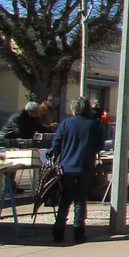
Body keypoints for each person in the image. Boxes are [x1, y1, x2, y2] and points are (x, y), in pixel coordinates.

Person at [48, 97, 104, 244]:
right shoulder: (94, 125)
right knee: (81, 199)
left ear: (73, 109)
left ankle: (58, 229)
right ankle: (79, 230)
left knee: (65, 199)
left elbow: (56, 144)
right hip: (85, 165)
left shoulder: (66, 123)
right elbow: (99, 146)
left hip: (67, 166)